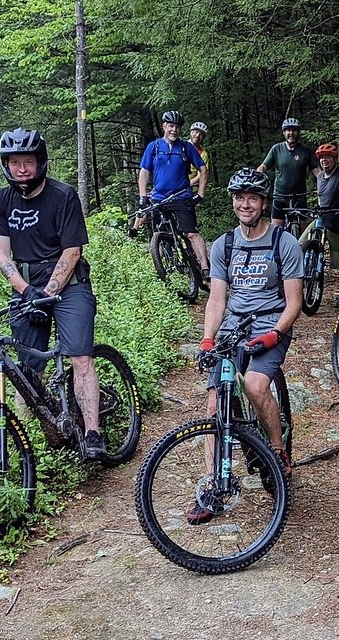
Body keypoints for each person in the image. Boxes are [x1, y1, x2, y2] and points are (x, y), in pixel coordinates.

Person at [189, 167, 304, 524]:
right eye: (240, 198)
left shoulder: (284, 242)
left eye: (252, 198)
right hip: (233, 326)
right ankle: (212, 484)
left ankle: (277, 451)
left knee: (254, 385)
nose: (245, 204)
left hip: (270, 323)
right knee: (214, 403)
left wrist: (275, 334)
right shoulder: (224, 244)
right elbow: (216, 300)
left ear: (263, 203)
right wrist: (208, 337)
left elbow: (294, 302)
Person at [0, 127, 106, 461]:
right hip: (27, 287)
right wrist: (27, 292)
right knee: (28, 368)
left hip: (70, 286)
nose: (21, 169)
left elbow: (72, 251)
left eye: (28, 161)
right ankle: (30, 441)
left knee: (80, 358)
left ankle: (93, 432)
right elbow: (0, 253)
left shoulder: (63, 195)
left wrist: (48, 292)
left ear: (40, 162)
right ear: (6, 165)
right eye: (14, 162)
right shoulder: (0, 200)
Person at [138, 110, 211, 281]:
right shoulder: (154, 146)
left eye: (177, 127)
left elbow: (203, 169)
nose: (174, 130)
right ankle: (161, 271)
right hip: (159, 198)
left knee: (191, 233)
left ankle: (205, 268)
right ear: (164, 126)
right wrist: (143, 196)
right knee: (159, 234)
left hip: (181, 196)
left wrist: (200, 194)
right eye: (171, 126)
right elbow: (144, 171)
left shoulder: (186, 147)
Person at [256, 117, 318, 229]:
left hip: (299, 196)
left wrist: (325, 185)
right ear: (284, 132)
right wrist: (256, 178)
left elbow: (317, 171)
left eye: (294, 130)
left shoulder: (305, 150)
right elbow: (263, 166)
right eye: (288, 130)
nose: (291, 133)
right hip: (280, 196)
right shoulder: (277, 149)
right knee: (276, 230)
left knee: (302, 231)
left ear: (298, 132)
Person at [311, 142, 339, 270]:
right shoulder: (320, 176)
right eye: (321, 157)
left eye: (328, 157)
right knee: (305, 243)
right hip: (323, 217)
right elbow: (322, 195)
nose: (324, 160)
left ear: (335, 159)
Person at [188, 121, 212, 187]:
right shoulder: (180, 146)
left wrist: (185, 185)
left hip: (188, 186)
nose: (197, 135)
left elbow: (201, 174)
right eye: (196, 132)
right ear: (191, 132)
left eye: (201, 134)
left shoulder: (203, 154)